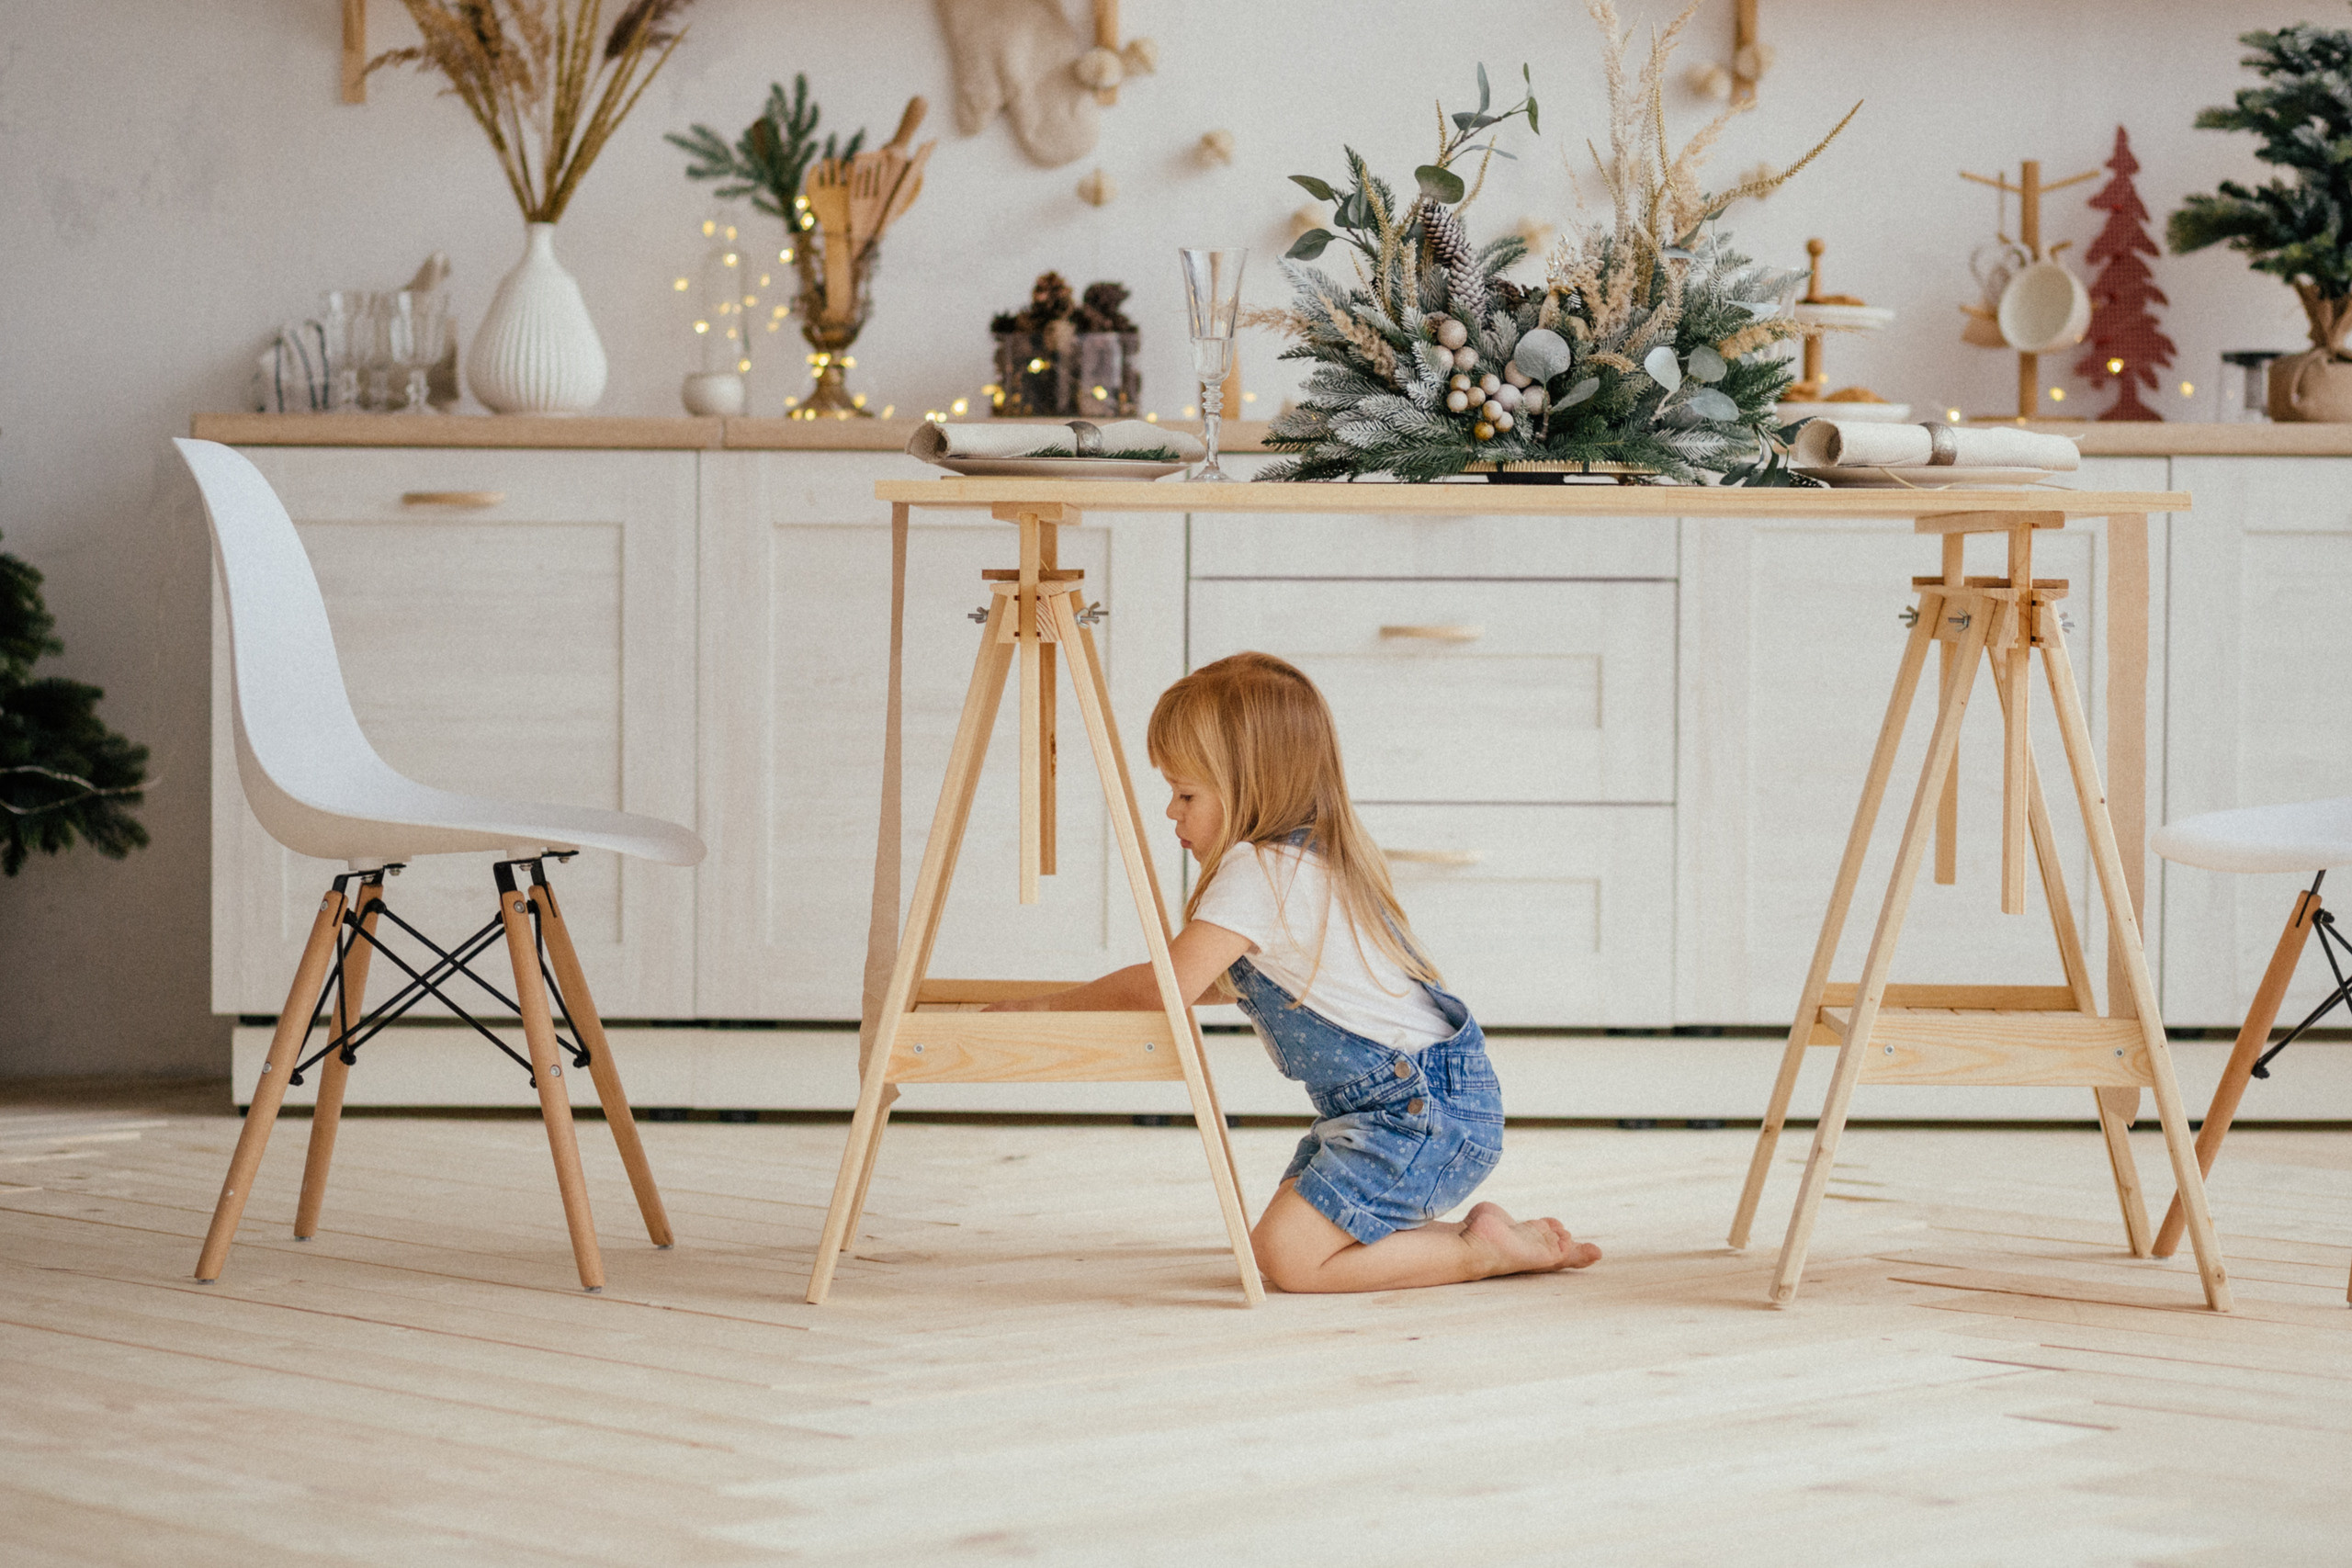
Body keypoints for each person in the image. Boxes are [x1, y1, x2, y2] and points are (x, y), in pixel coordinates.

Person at [987, 652, 1600, 1292]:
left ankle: (1482, 1254)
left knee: (1291, 1259)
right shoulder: (1306, 860)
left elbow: (1165, 984)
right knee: (1278, 1245)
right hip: (1407, 1106)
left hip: (1418, 1111)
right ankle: (1488, 1239)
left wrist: (1046, 1008)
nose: (1171, 810)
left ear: (1250, 785)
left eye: (1187, 793)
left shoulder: (1259, 871)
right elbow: (1224, 983)